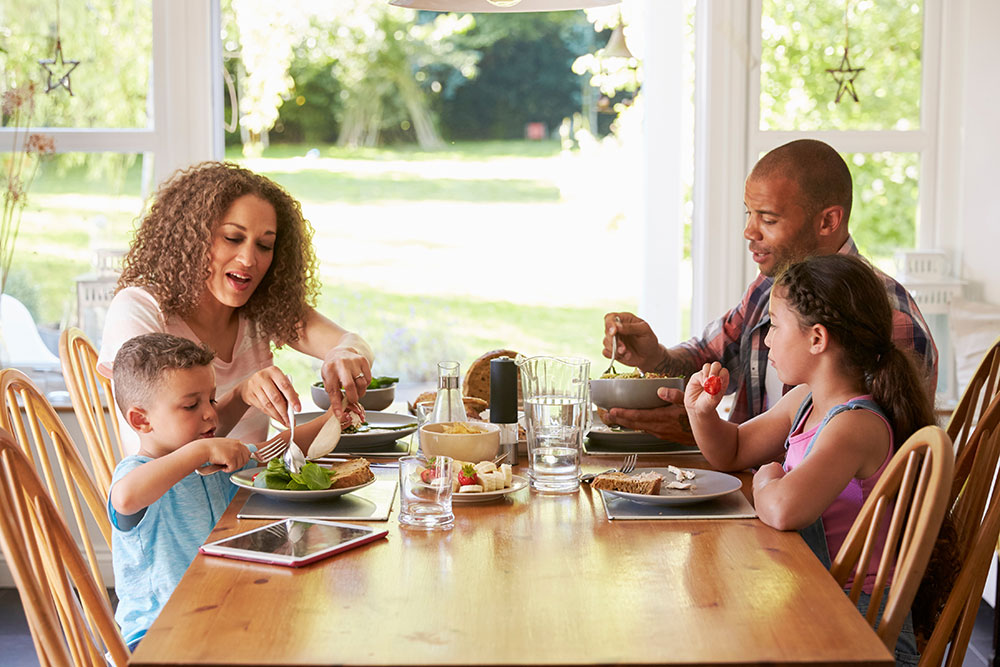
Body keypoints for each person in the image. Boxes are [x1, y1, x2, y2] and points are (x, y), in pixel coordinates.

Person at [601, 139, 937, 444]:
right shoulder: (769, 289)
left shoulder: (887, 317)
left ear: (828, 222)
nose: (749, 231)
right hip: (749, 485)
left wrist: (700, 431)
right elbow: (709, 357)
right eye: (749, 213)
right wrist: (655, 358)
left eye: (768, 219)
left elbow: (874, 459)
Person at [685, 254, 933, 666]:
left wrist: (769, 477)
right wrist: (702, 413)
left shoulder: (854, 425)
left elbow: (784, 510)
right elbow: (731, 451)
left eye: (775, 327)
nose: (766, 340)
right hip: (816, 599)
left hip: (860, 627)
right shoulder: (804, 400)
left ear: (817, 339)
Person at [99, 161, 373, 455]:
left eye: (265, 246)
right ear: (191, 239)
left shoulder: (261, 308)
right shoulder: (140, 308)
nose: (249, 259)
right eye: (233, 238)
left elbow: (353, 343)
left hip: (249, 491)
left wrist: (345, 354)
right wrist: (243, 394)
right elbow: (170, 452)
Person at [108, 333, 334, 650]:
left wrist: (334, 419)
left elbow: (277, 451)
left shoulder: (212, 460)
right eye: (191, 405)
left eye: (212, 399)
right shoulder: (139, 473)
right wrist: (200, 451)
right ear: (140, 420)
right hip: (159, 634)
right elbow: (125, 497)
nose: (210, 414)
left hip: (221, 610)